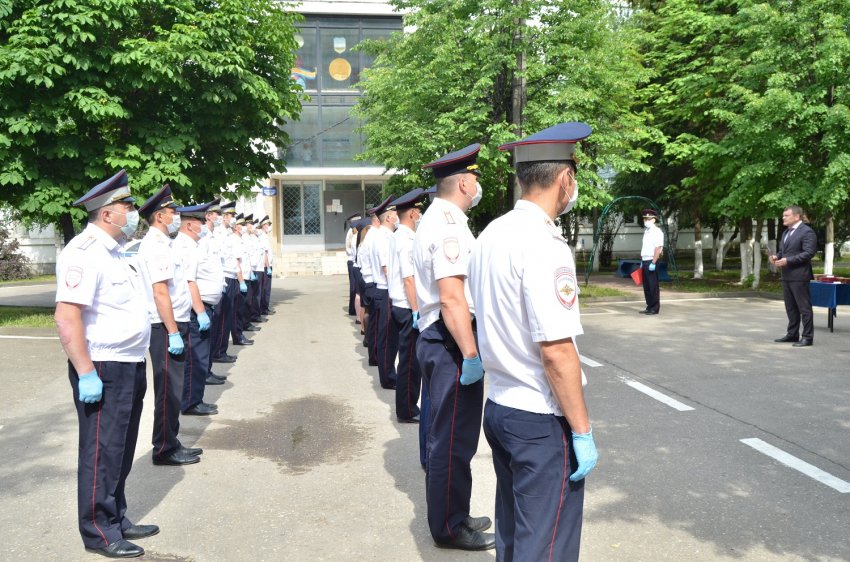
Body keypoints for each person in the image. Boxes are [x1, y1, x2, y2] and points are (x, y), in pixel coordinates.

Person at [469, 122, 599, 561]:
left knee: (515, 534)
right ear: (565, 179)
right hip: (539, 417)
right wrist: (581, 431)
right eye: (574, 177)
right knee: (546, 546)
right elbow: (557, 351)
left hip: (501, 405)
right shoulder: (545, 245)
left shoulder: (491, 234)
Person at [55, 170, 159, 558]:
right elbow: (67, 318)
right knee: (101, 450)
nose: (134, 212)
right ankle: (99, 530)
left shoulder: (116, 252)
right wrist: (85, 373)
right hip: (103, 367)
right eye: (128, 206)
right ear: (106, 213)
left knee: (122, 446)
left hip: (128, 362)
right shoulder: (82, 253)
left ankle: (116, 514)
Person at [413, 143, 495, 551]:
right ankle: (448, 526)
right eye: (476, 178)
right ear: (464, 181)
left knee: (450, 434)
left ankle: (456, 511)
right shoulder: (447, 224)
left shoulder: (439, 218)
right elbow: (451, 297)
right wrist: (471, 354)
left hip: (441, 336)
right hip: (451, 341)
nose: (477, 185)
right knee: (452, 439)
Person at [137, 185, 204, 465]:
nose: (177, 216)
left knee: (173, 390)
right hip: (166, 328)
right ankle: (164, 448)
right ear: (160, 217)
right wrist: (173, 331)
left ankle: (171, 441)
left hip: (174, 324)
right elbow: (160, 292)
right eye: (173, 212)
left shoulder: (166, 244)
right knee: (167, 391)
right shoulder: (155, 246)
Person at [173, 201, 224, 417]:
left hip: (203, 307)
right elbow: (188, 281)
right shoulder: (183, 247)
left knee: (201, 357)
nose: (204, 225)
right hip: (196, 310)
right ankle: (191, 402)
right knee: (195, 359)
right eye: (201, 222)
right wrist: (200, 311)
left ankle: (196, 399)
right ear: (190, 225)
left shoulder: (193, 245)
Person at [387, 188, 425, 423]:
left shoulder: (397, 236)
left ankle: (407, 406)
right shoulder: (407, 239)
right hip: (406, 306)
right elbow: (408, 278)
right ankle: (407, 409)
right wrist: (415, 310)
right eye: (419, 211)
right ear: (412, 213)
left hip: (398, 303)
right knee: (410, 363)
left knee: (408, 360)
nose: (420, 215)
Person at [770, 205, 817, 346]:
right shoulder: (786, 233)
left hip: (800, 276)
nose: (783, 218)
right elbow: (783, 252)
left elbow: (809, 253)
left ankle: (807, 337)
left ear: (797, 217)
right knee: (790, 308)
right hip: (787, 275)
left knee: (804, 308)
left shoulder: (807, 232)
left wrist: (788, 260)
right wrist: (776, 256)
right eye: (783, 215)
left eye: (786, 215)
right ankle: (792, 334)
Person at [366, 196, 399, 390]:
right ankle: (388, 377)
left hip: (384, 290)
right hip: (385, 290)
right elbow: (387, 268)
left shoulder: (382, 236)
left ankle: (387, 374)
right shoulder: (384, 238)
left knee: (386, 336)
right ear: (388, 218)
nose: (397, 217)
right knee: (387, 338)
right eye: (395, 214)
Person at [211, 201, 241, 360]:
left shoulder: (227, 233)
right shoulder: (218, 233)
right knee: (221, 318)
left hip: (231, 276)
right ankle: (218, 352)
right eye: (231, 216)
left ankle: (222, 350)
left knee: (227, 317)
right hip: (224, 277)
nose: (232, 219)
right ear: (224, 216)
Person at [228, 213, 253, 346]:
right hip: (239, 279)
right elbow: (236, 262)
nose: (243, 227)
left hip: (244, 277)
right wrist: (241, 281)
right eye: (241, 225)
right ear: (235, 227)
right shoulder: (234, 240)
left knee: (241, 308)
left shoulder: (240, 239)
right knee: (237, 311)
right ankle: (238, 337)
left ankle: (239, 334)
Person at [639, 209, 664, 315]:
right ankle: (649, 306)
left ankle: (655, 308)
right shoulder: (647, 231)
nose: (646, 220)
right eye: (645, 218)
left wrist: (653, 262)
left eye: (648, 219)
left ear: (654, 220)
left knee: (653, 285)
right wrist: (642, 260)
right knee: (647, 286)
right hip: (645, 260)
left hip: (651, 260)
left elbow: (658, 248)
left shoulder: (657, 232)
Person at [345, 212, 362, 316]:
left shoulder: (354, 232)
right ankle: (353, 309)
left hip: (353, 260)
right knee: (354, 287)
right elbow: (350, 249)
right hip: (353, 261)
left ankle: (353, 308)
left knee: (355, 287)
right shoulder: (352, 233)